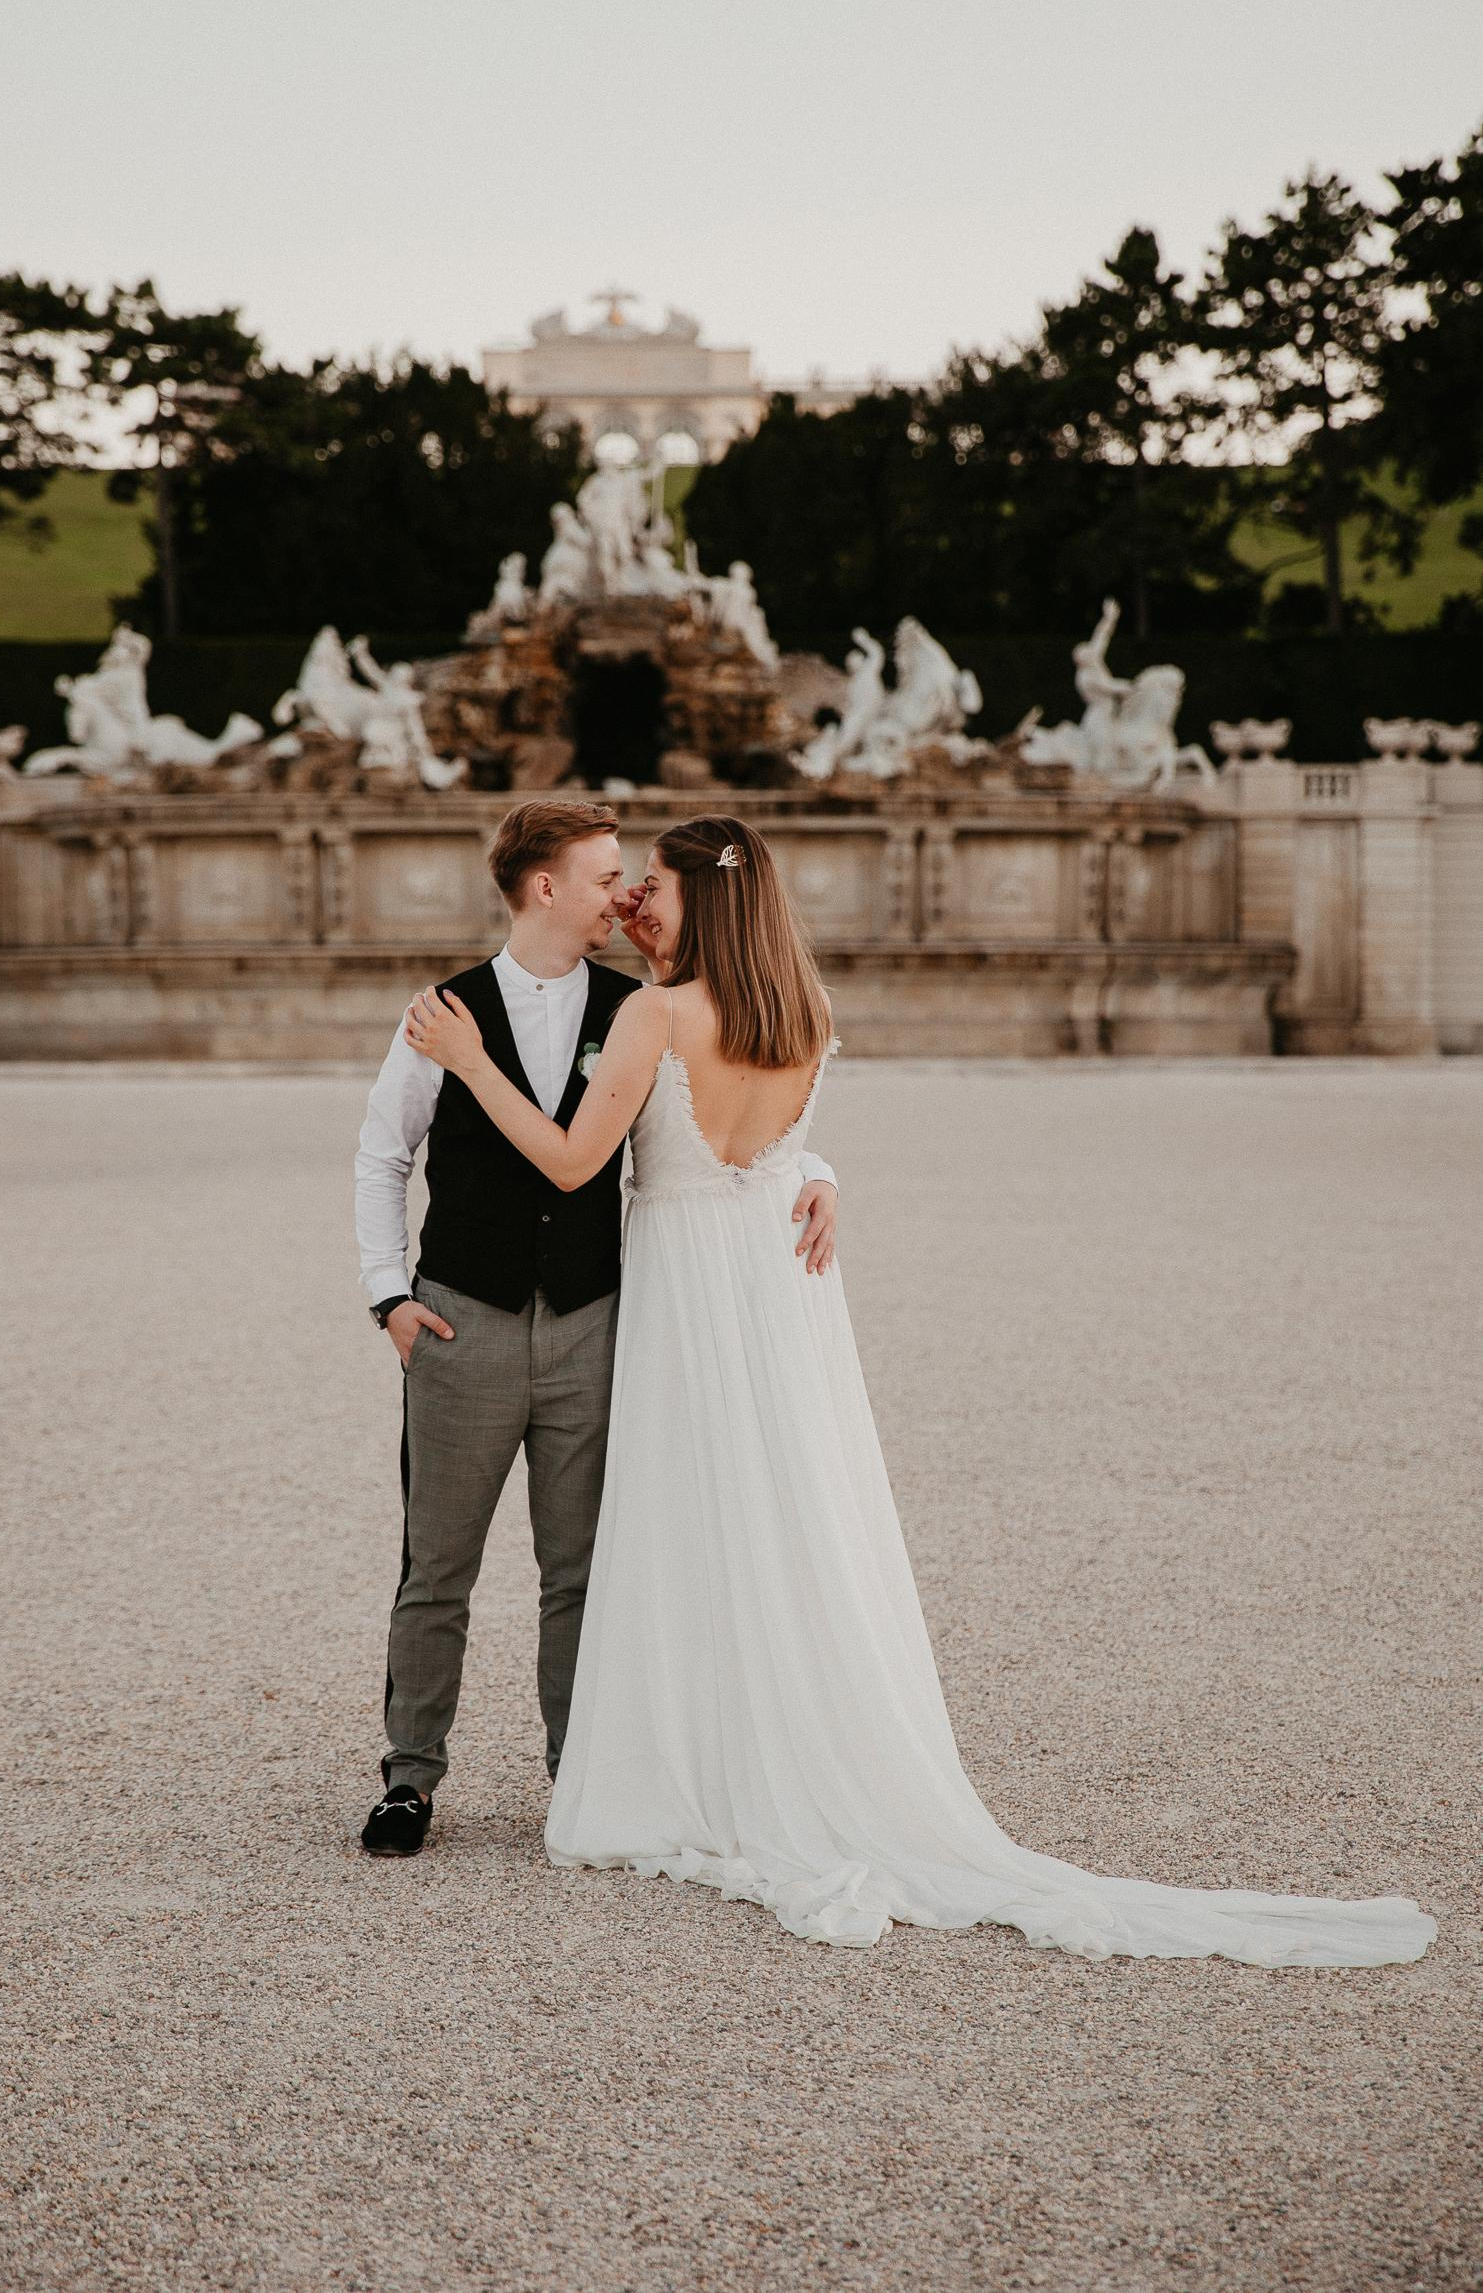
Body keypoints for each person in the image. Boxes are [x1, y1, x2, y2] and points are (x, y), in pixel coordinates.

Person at [401, 812, 1437, 1964]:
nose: (637, 898)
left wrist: (471, 1061)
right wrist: (817, 1168)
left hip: (688, 1293)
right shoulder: (803, 1011)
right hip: (776, 1295)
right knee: (785, 1519)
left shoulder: (653, 1015)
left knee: (686, 1520)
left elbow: (569, 1161)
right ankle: (776, 1744)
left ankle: (689, 1759)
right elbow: (767, 1146)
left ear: (706, 898)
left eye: (654, 882)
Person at [353, 799, 839, 1857]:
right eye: (606, 875)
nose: (623, 894)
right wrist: (389, 1295)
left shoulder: (638, 1006)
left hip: (595, 1326)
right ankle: (409, 1776)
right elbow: (383, 1154)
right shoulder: (442, 1013)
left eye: (633, 877)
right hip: (461, 1321)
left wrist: (817, 1169)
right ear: (546, 887)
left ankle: (576, 1774)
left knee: (581, 1573)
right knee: (436, 1567)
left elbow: (723, 1119)